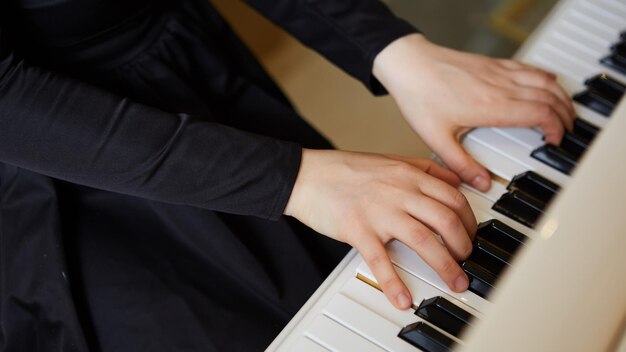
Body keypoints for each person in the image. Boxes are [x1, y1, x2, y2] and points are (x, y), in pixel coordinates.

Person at [0, 0, 574, 350]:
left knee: (383, 290)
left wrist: (394, 51)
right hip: (60, 183)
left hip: (189, 72)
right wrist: (294, 179)